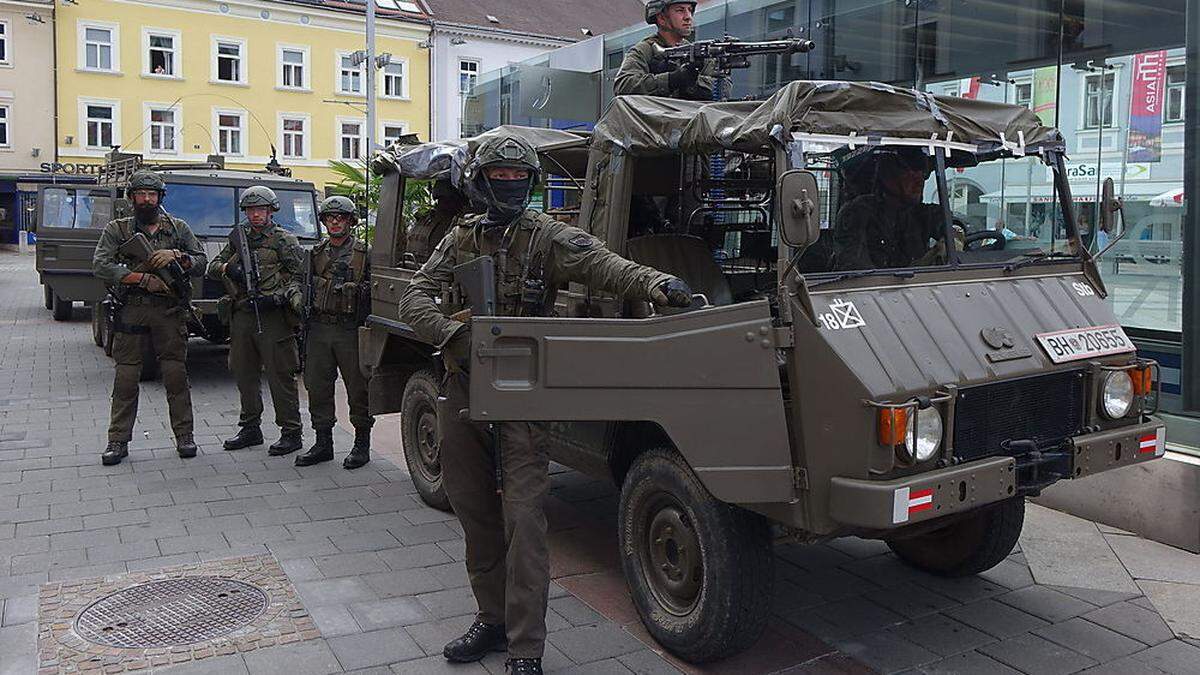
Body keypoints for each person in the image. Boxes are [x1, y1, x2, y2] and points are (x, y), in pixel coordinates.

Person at [399, 134, 693, 675]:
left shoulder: (545, 238)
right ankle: (490, 619)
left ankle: (525, 647)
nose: (510, 188)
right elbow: (414, 293)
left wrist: (660, 284)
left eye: (519, 180)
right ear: (481, 183)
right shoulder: (460, 238)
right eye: (500, 179)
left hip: (521, 394)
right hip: (463, 389)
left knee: (526, 522)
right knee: (473, 512)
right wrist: (449, 334)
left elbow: (605, 264)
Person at [93, 170, 206, 466]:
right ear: (132, 198)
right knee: (126, 377)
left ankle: (185, 436)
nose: (146, 200)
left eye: (152, 195)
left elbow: (201, 260)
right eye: (141, 194)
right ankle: (117, 441)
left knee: (175, 375)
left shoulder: (178, 228)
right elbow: (101, 265)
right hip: (133, 308)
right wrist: (140, 279)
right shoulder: (117, 229)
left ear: (160, 198)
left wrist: (179, 257)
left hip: (169, 312)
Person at [206, 186, 305, 456]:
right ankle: (250, 428)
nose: (256, 215)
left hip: (273, 316)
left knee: (280, 374)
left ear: (271, 211)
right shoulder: (238, 238)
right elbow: (212, 267)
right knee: (244, 372)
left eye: (260, 210)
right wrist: (231, 268)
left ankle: (291, 431)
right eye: (251, 210)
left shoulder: (284, 240)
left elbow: (300, 278)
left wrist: (278, 298)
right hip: (243, 314)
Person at [294, 196, 373, 469]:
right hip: (318, 328)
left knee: (358, 388)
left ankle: (362, 443)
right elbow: (301, 287)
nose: (335, 222)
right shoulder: (315, 254)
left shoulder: (364, 253)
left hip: (350, 329)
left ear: (351, 221)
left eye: (341, 217)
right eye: (330, 217)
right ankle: (323, 442)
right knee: (317, 386)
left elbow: (375, 291)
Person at [832, 146, 950, 270]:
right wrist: (916, 269)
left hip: (919, 286)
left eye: (923, 174)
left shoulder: (919, 213)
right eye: (910, 173)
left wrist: (954, 237)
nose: (919, 180)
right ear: (888, 176)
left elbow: (947, 222)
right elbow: (857, 271)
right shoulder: (858, 212)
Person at [614, 0, 718, 100]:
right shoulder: (645, 50)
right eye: (680, 10)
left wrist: (693, 82)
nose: (688, 17)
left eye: (690, 10)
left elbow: (721, 87)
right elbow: (623, 85)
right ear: (662, 18)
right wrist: (671, 79)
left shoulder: (697, 52)